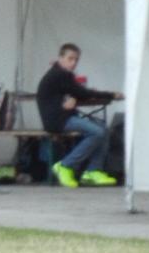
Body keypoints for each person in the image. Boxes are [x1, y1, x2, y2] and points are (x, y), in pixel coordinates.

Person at [35, 42, 123, 188]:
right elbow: (83, 93)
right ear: (60, 58)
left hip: (64, 116)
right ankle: (65, 165)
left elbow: (76, 92)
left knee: (103, 128)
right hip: (57, 120)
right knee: (98, 132)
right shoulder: (60, 74)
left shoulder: (61, 73)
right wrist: (111, 95)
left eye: (76, 59)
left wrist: (73, 98)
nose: (74, 63)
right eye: (70, 59)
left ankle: (93, 171)